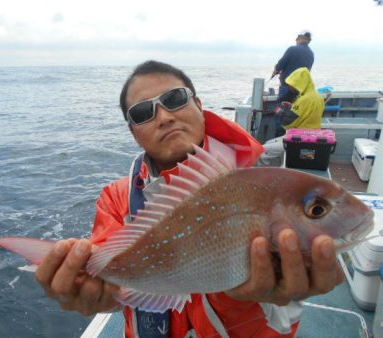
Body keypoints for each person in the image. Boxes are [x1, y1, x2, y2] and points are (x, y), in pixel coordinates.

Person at [35, 60, 342, 337]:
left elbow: (280, 320)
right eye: (143, 113)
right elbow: (111, 280)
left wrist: (280, 294)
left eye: (175, 99)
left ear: (198, 104)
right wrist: (98, 293)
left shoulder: (259, 182)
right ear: (133, 133)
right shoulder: (116, 198)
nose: (165, 117)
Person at [259, 67, 325, 167]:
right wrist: (291, 107)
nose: (290, 88)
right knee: (269, 142)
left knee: (261, 151)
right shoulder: (317, 96)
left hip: (300, 141)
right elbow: (307, 113)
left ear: (299, 84)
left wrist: (281, 111)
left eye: (292, 85)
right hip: (311, 136)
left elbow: (287, 124)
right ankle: (278, 171)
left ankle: (267, 176)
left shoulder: (303, 100)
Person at [272, 31, 314, 104]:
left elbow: (280, 65)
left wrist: (275, 71)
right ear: (308, 41)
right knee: (295, 109)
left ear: (299, 39)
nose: (296, 41)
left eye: (296, 39)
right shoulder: (311, 53)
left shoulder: (292, 49)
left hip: (287, 88)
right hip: (301, 89)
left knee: (283, 109)